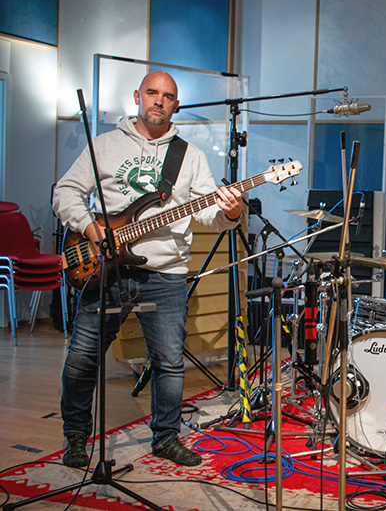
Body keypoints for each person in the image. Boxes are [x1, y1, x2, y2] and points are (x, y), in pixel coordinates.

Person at [53, 71, 243, 468]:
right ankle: (76, 438)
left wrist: (230, 213)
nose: (159, 100)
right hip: (104, 266)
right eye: (152, 93)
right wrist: (91, 228)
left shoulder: (190, 156)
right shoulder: (105, 145)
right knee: (82, 357)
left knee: (169, 363)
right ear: (137, 96)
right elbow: (66, 191)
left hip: (166, 272)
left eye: (168, 96)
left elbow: (207, 215)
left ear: (176, 105)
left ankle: (166, 438)